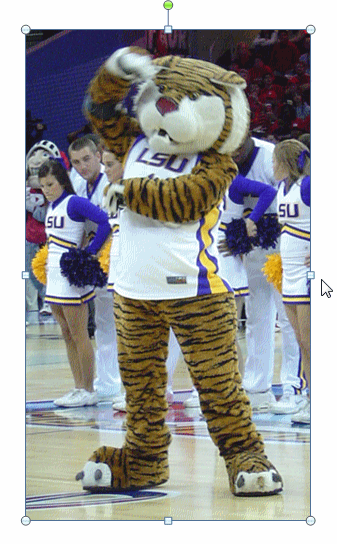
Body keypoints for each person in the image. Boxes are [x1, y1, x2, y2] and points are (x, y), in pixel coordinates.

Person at [182, 174, 278, 408]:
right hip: (200, 260)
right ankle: (208, 386)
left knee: (226, 330)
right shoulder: (191, 183)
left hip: (226, 262)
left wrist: (249, 223)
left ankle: (234, 387)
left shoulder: (232, 181)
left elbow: (269, 192)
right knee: (202, 329)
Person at [233, 135, 306, 414]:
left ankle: (294, 387)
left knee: (290, 322)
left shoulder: (269, 156)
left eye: (239, 146)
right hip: (250, 253)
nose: (235, 152)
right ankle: (257, 386)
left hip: (282, 251)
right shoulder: (226, 159)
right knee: (255, 318)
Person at [38, 158, 111, 407]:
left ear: (62, 181)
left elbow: (104, 221)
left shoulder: (74, 202)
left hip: (72, 276)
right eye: (43, 186)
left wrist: (91, 251)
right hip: (54, 275)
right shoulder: (52, 207)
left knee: (79, 334)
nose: (47, 190)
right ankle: (78, 386)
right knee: (67, 333)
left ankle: (89, 389)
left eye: (50, 184)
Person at [68, 136, 123, 402]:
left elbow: (114, 224)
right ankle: (109, 381)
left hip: (116, 257)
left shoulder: (113, 182)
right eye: (76, 162)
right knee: (102, 323)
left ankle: (123, 381)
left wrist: (92, 252)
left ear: (98, 155)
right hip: (94, 261)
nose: (82, 166)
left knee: (120, 322)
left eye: (86, 159)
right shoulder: (76, 182)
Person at [272, 139, 310, 424]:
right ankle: (309, 397)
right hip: (291, 274)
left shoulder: (308, 186)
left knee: (314, 341)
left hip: (315, 278)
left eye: (275, 161)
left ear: (286, 162)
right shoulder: (280, 189)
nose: (272, 166)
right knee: (302, 342)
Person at [26, 140, 61, 322]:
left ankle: (49, 300)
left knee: (48, 270)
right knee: (29, 272)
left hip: (47, 237)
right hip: (30, 237)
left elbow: (44, 214)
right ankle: (37, 301)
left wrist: (31, 206)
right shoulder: (26, 188)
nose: (36, 160)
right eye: (33, 156)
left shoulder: (52, 188)